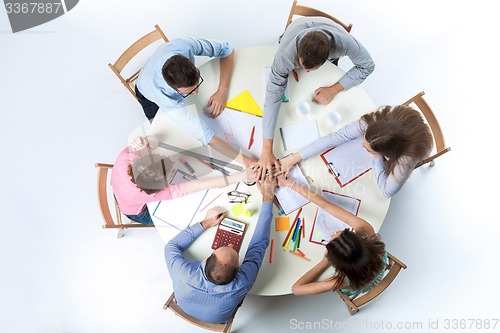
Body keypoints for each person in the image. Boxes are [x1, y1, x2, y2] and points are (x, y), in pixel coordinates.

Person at [256, 16, 375, 180]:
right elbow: (273, 96)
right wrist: (266, 149)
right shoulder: (285, 55)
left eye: (312, 69)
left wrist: (334, 89)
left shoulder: (345, 43)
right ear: (298, 57)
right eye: (304, 67)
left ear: (326, 59)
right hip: (296, 30)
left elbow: (368, 66)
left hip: (331, 32)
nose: (308, 72)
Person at [164, 177, 276, 324]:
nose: (230, 245)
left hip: (184, 305)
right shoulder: (244, 282)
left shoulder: (181, 272)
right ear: (239, 271)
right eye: (233, 250)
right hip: (217, 319)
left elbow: (171, 246)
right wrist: (268, 199)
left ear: (205, 261)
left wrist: (206, 222)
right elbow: (259, 244)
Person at [278, 105, 433, 197]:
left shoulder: (407, 158)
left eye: (366, 147)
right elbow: (338, 136)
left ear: (389, 154)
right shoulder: (378, 120)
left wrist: (375, 156)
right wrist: (294, 158)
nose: (361, 146)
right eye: (364, 140)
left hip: (418, 144)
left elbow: (387, 191)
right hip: (403, 125)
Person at [276, 176, 387, 296]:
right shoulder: (366, 230)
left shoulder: (344, 282)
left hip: (360, 283)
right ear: (360, 240)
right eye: (342, 232)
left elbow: (296, 289)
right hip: (378, 263)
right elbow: (325, 205)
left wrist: (324, 262)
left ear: (337, 264)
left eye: (331, 239)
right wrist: (291, 184)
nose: (333, 233)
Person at [111, 135, 255, 225]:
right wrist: (241, 177)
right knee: (177, 218)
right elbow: (202, 184)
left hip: (121, 194)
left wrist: (146, 140)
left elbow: (155, 142)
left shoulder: (126, 158)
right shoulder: (154, 194)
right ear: (160, 186)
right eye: (169, 174)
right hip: (136, 212)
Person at [136, 38, 235, 145]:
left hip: (156, 63)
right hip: (145, 92)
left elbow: (226, 49)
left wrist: (222, 90)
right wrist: (247, 162)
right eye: (190, 91)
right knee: (164, 138)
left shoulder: (183, 46)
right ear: (174, 89)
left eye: (197, 84)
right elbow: (203, 134)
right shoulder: (163, 96)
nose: (196, 92)